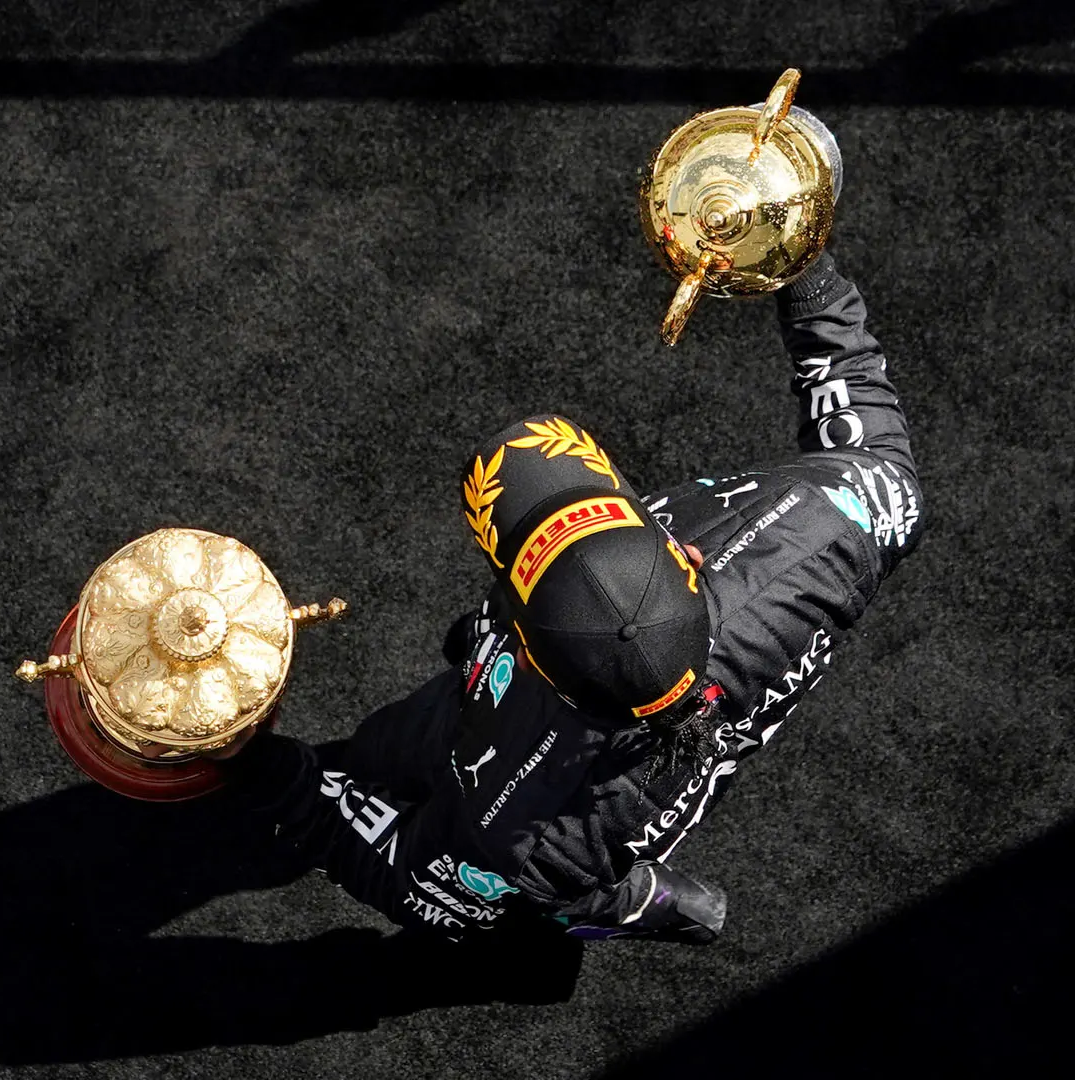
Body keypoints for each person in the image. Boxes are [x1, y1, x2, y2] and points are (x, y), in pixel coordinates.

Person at [213, 246, 925, 943]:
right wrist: (802, 268)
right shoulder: (828, 529)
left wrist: (272, 774)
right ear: (685, 559)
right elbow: (875, 447)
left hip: (556, 848)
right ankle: (639, 895)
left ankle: (631, 901)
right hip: (578, 757)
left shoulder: (520, 839)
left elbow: (415, 887)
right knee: (379, 753)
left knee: (565, 901)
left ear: (527, 654)